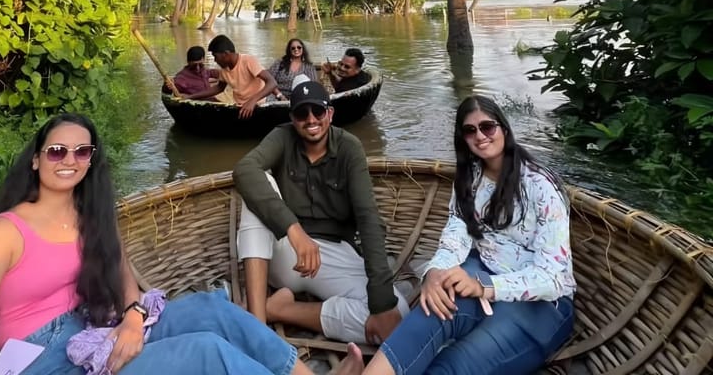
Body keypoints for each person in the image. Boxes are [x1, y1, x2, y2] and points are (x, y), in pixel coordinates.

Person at [0, 113, 366, 375]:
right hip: (45, 362)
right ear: (35, 160)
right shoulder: (4, 233)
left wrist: (133, 318)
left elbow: (125, 281)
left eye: (81, 152)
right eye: (56, 151)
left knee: (214, 311)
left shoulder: (91, 216)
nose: (69, 160)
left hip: (96, 329)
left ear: (91, 161)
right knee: (204, 350)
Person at [355, 95, 576, 375]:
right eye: (470, 130)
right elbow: (456, 235)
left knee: (456, 366)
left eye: (488, 127)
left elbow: (554, 277)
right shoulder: (470, 177)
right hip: (481, 274)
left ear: (504, 129)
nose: (480, 136)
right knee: (429, 312)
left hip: (542, 303)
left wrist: (484, 285)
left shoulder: (541, 187)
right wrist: (435, 271)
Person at [233, 81, 408, 346]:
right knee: (258, 184)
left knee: (397, 314)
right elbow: (244, 170)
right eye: (302, 114)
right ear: (292, 118)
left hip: (332, 255)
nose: (311, 120)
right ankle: (257, 324)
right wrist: (294, 230)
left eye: (318, 111)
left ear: (330, 114)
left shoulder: (350, 148)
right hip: (286, 251)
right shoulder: (282, 137)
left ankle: (279, 309)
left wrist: (382, 304)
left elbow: (368, 218)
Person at [187, 35, 277, 119]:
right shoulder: (224, 69)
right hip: (241, 106)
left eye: (216, 57)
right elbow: (219, 88)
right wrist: (191, 97)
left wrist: (252, 101)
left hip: (259, 103)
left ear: (226, 54)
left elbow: (272, 83)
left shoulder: (248, 61)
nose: (215, 60)